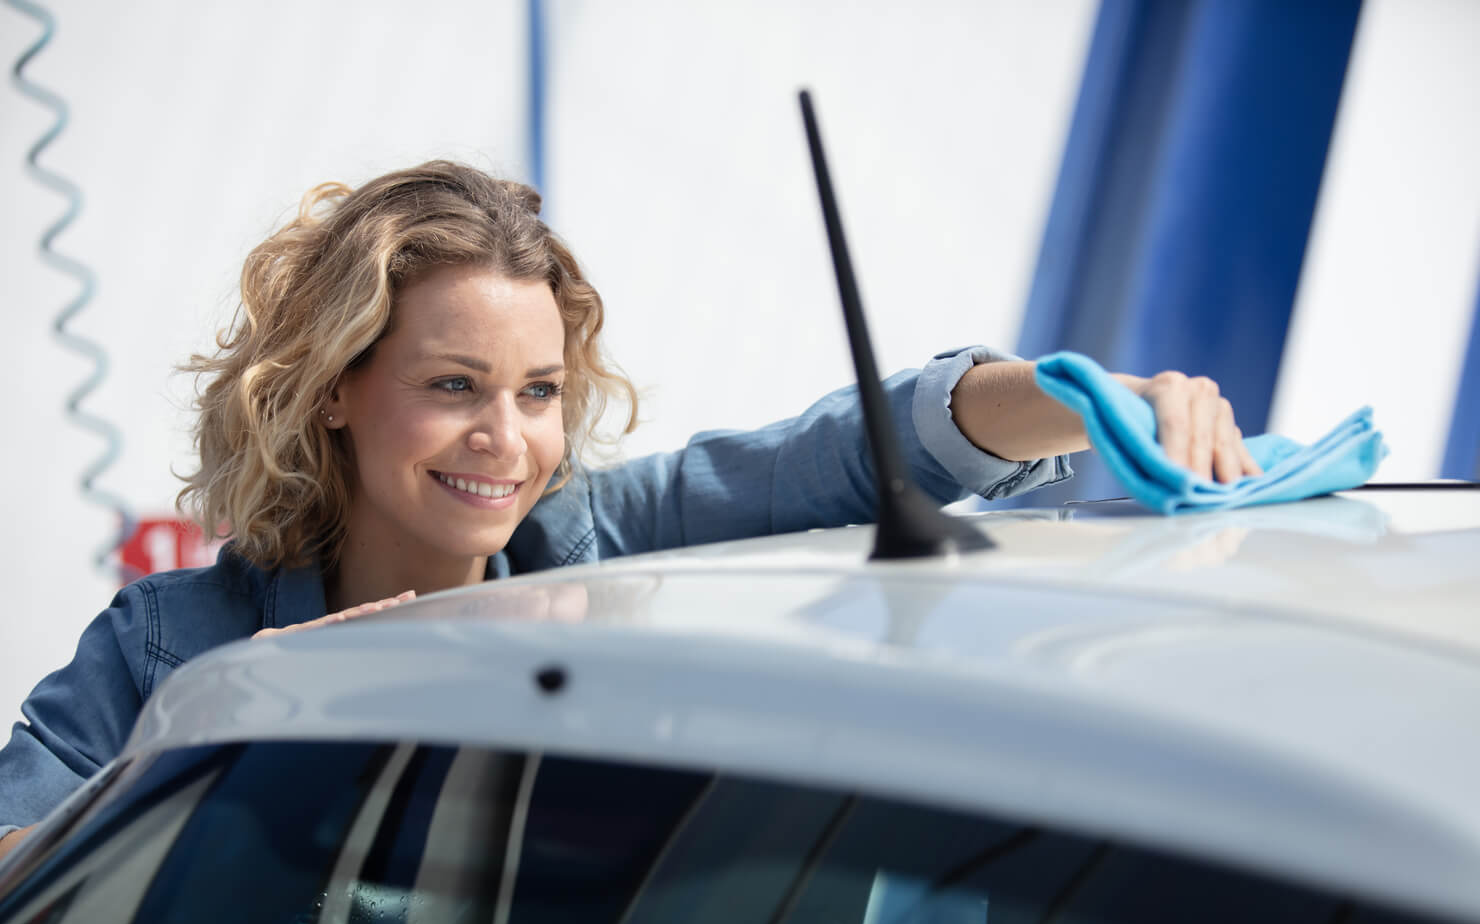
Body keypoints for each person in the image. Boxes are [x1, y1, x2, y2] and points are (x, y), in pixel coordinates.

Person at [0, 160, 1259, 857]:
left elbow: (843, 457)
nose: (506, 441)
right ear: (334, 393)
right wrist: (203, 748)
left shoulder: (591, 548)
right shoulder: (175, 646)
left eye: (538, 391)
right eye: (453, 388)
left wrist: (1084, 397)